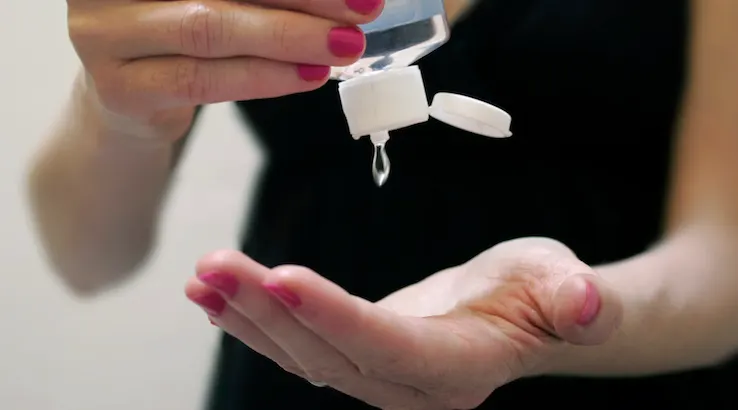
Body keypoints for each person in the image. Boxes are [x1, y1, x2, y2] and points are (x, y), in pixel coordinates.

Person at [27, 0, 738, 408]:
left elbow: (725, 257)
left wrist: (550, 319)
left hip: (625, 366)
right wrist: (118, 113)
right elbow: (89, 258)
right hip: (293, 373)